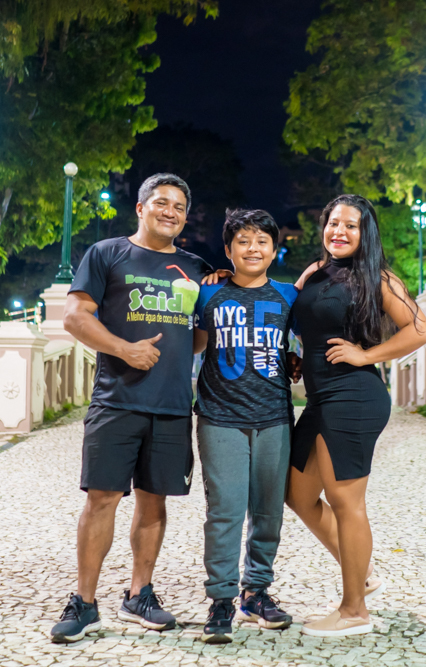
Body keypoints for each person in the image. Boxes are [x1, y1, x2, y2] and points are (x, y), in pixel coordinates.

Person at [51, 173, 212, 644]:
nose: (170, 211)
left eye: (179, 206)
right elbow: (74, 316)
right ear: (141, 208)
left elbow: (198, 335)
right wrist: (124, 349)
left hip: (172, 405)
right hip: (116, 400)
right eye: (161, 202)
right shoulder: (107, 253)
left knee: (154, 500)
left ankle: (140, 594)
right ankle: (84, 602)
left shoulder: (196, 268)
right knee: (101, 498)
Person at [286, 194, 426, 637]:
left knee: (346, 502)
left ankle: (354, 611)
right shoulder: (314, 272)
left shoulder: (378, 277)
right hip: (319, 399)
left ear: (365, 233)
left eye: (351, 226)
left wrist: (366, 354)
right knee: (296, 494)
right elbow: (297, 320)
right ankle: (361, 572)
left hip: (353, 397)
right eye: (334, 223)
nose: (340, 232)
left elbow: (420, 330)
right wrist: (297, 357)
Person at [192, 209, 300, 644]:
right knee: (225, 511)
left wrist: (297, 359)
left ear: (274, 250)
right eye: (243, 241)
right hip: (220, 416)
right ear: (228, 250)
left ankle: (256, 592)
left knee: (269, 511)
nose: (252, 249)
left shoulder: (290, 295)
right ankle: (220, 599)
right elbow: (192, 344)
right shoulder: (207, 293)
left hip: (274, 416)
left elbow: (306, 341)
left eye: (261, 241)